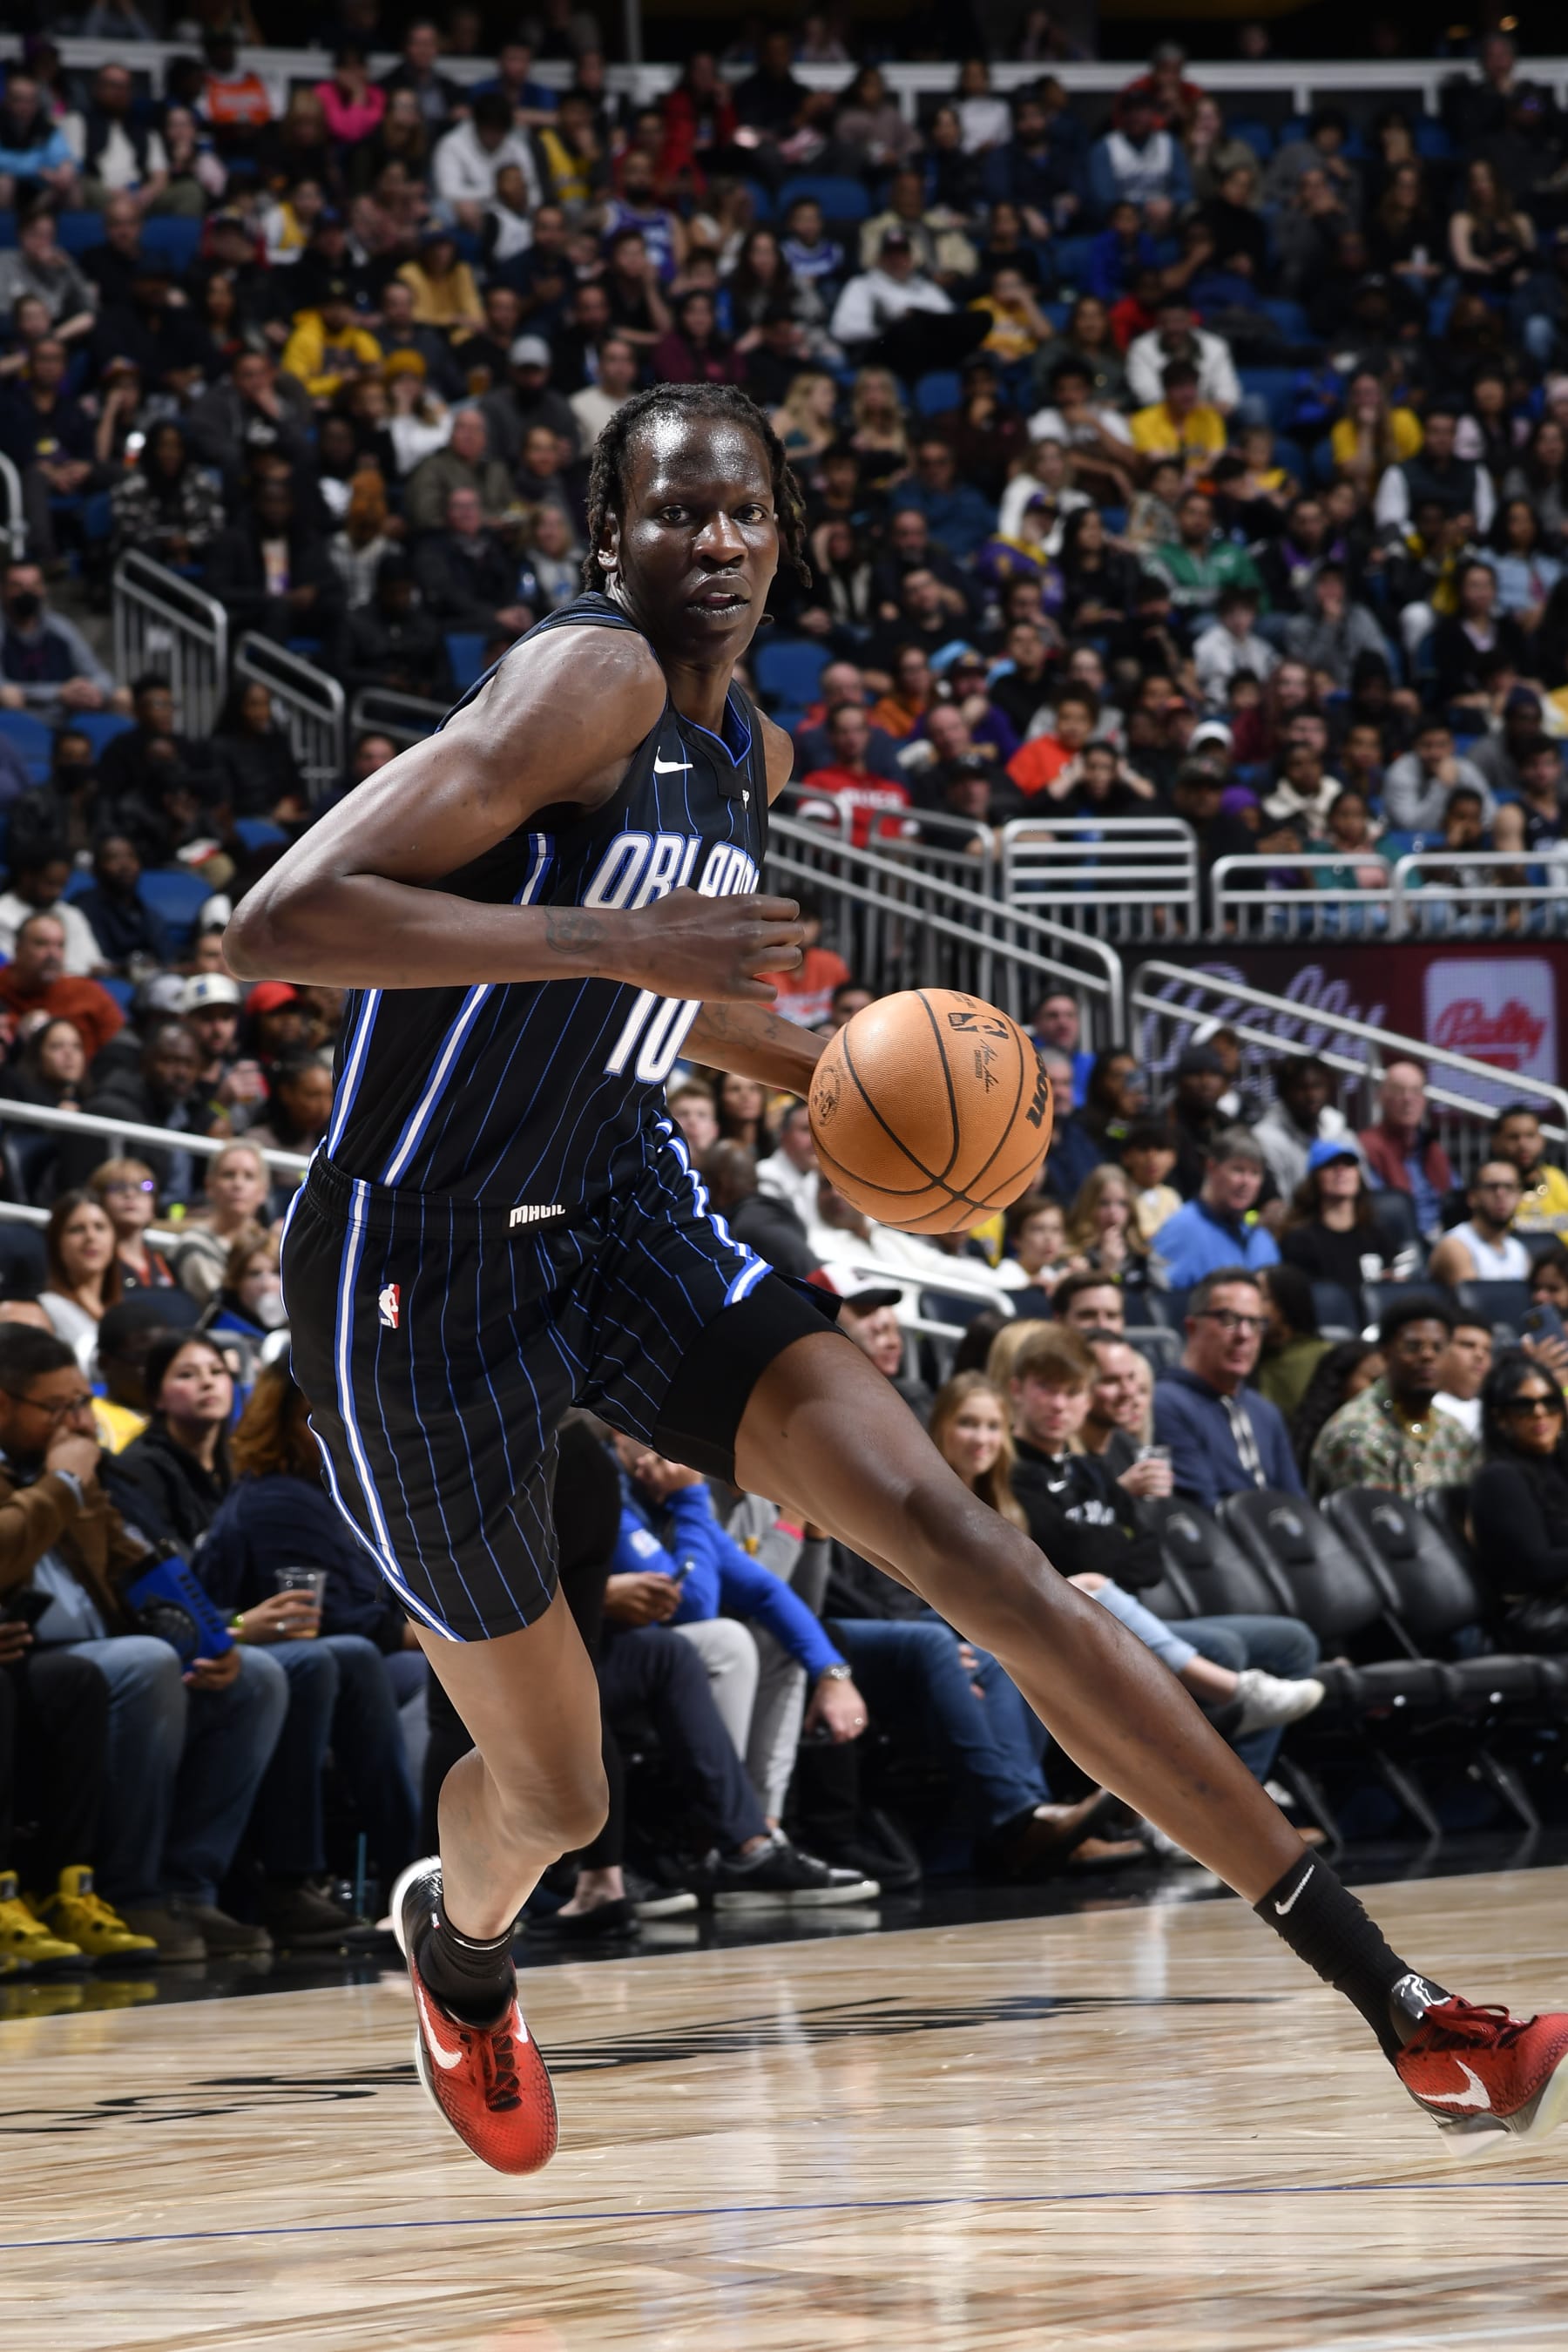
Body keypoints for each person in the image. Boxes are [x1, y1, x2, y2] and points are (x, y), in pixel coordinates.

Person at [228, 380, 1565, 2172]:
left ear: (788, 533)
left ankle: (1399, 2003)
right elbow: (284, 923)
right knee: (556, 1793)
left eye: (744, 512)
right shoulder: (588, 679)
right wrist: (616, 937)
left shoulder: (747, 752)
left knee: (974, 1553)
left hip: (620, 1203)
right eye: (674, 512)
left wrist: (839, 1063)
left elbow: (662, 997)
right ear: (605, 537)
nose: (713, 542)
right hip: (413, 1263)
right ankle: (458, 1951)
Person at [0, 1323, 287, 1960]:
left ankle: (189, 1887)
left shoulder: (72, 1468)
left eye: (82, 1402)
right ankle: (130, 1891)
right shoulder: (60, 1474)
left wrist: (216, 1636)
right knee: (147, 1661)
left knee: (258, 1677)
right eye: (60, 1406)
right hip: (40, 1663)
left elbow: (134, 1556)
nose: (78, 1420)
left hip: (105, 1650)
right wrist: (61, 1487)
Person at [1308, 1294, 1480, 1501]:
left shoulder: (1454, 1432)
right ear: (1385, 1353)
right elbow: (1374, 1527)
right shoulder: (1358, 1432)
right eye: (1413, 1347)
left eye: (1438, 1348)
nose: (1428, 1356)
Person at [1154, 1269, 1304, 1508]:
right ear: (1192, 1327)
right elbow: (1203, 1509)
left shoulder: (1265, 1412)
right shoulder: (1165, 1404)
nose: (1244, 1334)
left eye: (1255, 1323)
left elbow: (1297, 1503)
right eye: (1228, 1320)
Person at [1470, 1353, 1568, 1652]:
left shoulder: (1560, 1464)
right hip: (1539, 1616)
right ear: (1500, 1418)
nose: (1540, 1413)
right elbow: (1535, 1568)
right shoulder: (1499, 1478)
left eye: (1550, 1402)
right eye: (1524, 1406)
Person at [1150, 1130, 1281, 1292]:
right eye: (1238, 1170)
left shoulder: (1261, 1240)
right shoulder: (1182, 1229)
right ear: (1211, 1167)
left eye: (1255, 1173)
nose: (1246, 1182)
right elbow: (1162, 1306)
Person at [1279, 1139, 1400, 1305]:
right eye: (1331, 1165)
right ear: (1315, 1177)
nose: (1341, 1170)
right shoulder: (1299, 1241)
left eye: (1349, 1164)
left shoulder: (1377, 1235)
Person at [1357, 1058, 1454, 1241]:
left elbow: (1455, 1196)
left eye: (1416, 1091)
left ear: (1424, 1100)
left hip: (1444, 1239)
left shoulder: (1432, 1149)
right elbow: (1380, 1209)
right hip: (1397, 1241)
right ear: (1381, 1098)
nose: (1408, 1099)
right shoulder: (1367, 1146)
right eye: (1398, 1091)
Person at [1251, 1058, 1349, 1204]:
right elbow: (1279, 1205)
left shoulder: (1340, 1132)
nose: (1311, 1096)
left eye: (1318, 1086)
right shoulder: (1265, 1139)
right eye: (1301, 1088)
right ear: (1283, 1092)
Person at [38, 1191, 123, 1353]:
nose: (90, 1237)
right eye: (77, 1229)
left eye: (100, 1227)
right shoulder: (46, 1309)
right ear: (57, 1244)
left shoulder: (121, 1313)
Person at [1427, 1161, 1533, 1288]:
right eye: (1492, 1187)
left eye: (1509, 1187)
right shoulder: (1454, 1245)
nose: (1501, 1194)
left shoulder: (1519, 1251)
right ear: (1472, 1197)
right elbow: (1474, 1304)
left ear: (1519, 1196)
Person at [1255, 1265, 1331, 1423]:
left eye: (1262, 1298)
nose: (1250, 1308)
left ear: (1286, 1303)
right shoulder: (1245, 1357)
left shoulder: (1326, 1357)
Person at [89, 1159, 175, 1294]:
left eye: (144, 1186)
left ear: (154, 1205)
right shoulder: (92, 1261)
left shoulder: (166, 1264)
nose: (130, 1194)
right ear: (99, 1201)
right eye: (117, 1187)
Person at [1490, 1103, 1568, 1235]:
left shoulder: (1556, 1177)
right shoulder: (1490, 1187)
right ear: (1496, 1142)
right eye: (1513, 1137)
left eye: (1530, 1135)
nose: (1523, 1145)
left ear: (1541, 1140)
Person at [1432, 1313, 1494, 1438]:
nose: (1480, 1355)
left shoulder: (1495, 1413)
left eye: (1487, 1349)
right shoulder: (1421, 1407)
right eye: (1468, 1345)